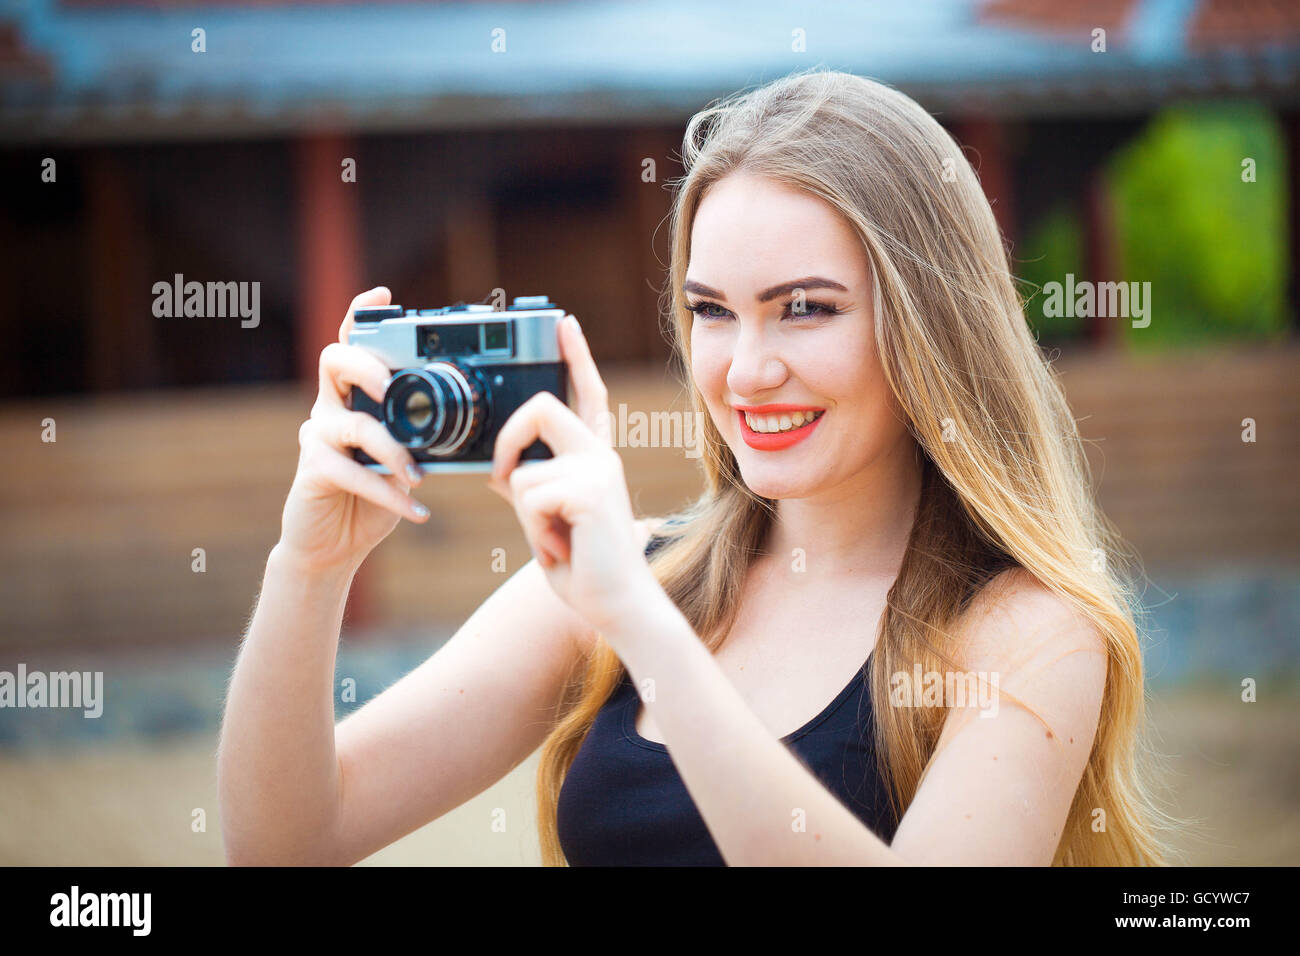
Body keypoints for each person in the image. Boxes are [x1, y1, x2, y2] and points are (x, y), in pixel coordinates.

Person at [217, 67, 1172, 866]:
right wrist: (309, 568)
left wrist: (640, 622)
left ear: (927, 325)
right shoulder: (622, 579)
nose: (747, 370)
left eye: (806, 307)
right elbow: (286, 841)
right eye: (713, 310)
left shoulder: (1026, 636)